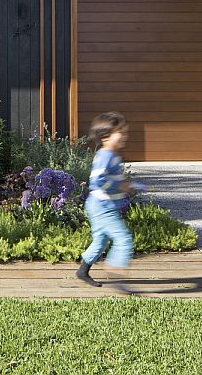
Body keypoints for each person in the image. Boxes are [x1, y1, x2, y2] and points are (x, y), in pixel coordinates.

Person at [75, 111, 134, 287]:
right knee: (123, 239)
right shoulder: (106, 155)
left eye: (125, 132)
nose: (124, 136)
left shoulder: (112, 155)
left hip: (100, 205)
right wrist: (119, 186)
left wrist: (125, 185)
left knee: (101, 240)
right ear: (106, 137)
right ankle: (116, 274)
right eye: (120, 132)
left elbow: (113, 178)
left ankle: (83, 271)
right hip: (102, 206)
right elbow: (97, 180)